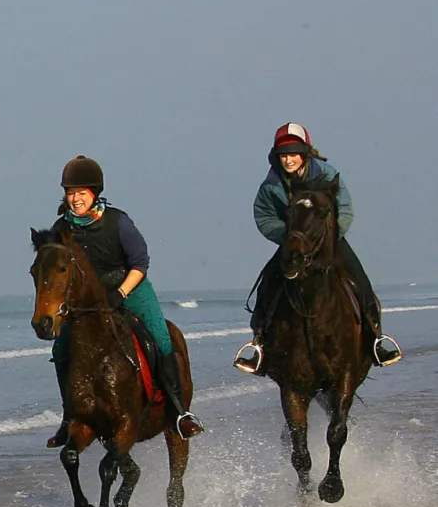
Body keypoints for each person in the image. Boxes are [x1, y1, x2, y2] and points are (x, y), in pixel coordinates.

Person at [46, 155, 203, 446]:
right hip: (88, 301)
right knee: (61, 347)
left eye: (81, 193)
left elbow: (140, 263)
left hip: (129, 286)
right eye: (71, 193)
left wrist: (120, 293)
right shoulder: (61, 228)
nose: (76, 199)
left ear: (95, 193)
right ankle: (69, 416)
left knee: (161, 339)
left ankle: (180, 412)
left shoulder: (118, 221)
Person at [234, 123, 401, 373]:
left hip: (328, 241)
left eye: (293, 153)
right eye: (283, 155)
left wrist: (329, 237)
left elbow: (344, 208)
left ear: (304, 153)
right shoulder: (271, 185)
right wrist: (289, 236)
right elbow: (264, 216)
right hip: (294, 242)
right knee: (267, 283)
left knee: (360, 281)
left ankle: (376, 339)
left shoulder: (327, 175)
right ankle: (259, 344)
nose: (288, 160)